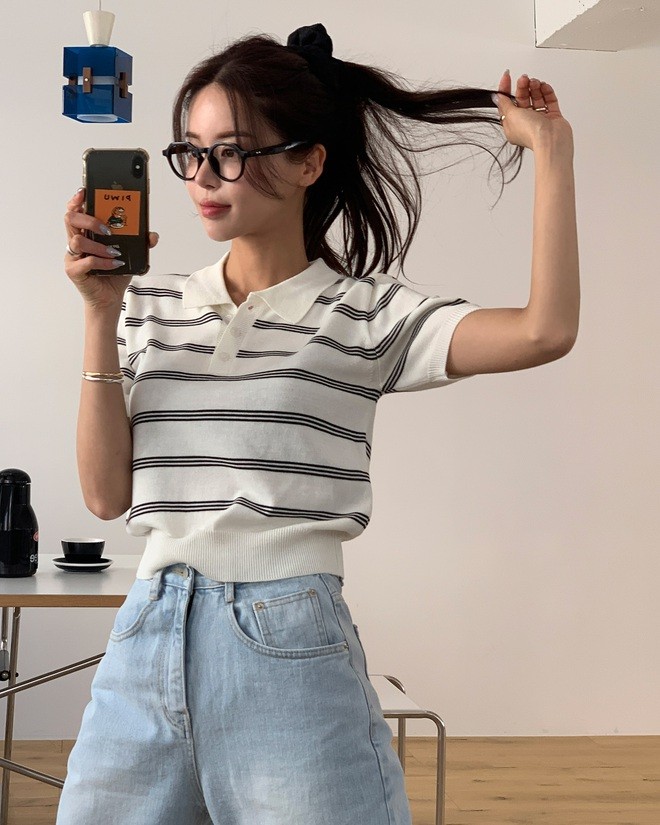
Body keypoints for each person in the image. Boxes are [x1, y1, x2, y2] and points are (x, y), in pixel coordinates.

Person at [57, 22, 579, 825]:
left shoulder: (364, 313)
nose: (204, 176)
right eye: (191, 152)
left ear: (309, 162)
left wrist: (552, 151)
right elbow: (104, 496)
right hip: (146, 638)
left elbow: (545, 330)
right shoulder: (145, 303)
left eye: (232, 152)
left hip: (287, 643)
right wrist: (100, 311)